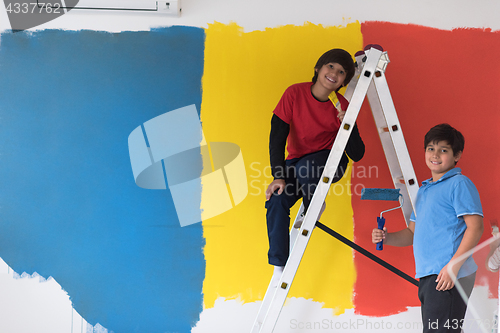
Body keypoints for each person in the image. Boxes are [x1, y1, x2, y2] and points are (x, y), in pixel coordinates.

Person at [372, 123, 484, 333]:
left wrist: (453, 266)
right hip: (430, 274)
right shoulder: (424, 191)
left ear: (457, 155)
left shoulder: (459, 183)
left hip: (449, 274)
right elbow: (412, 233)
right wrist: (386, 238)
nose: (435, 154)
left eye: (444, 150)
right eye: (431, 148)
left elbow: (476, 227)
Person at [265, 48, 365, 281]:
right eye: (330, 67)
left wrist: (346, 126)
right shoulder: (294, 93)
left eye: (341, 72)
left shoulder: (341, 105)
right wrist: (278, 176)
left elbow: (358, 153)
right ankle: (279, 263)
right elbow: (277, 138)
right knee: (276, 200)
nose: (334, 74)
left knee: (306, 168)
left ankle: (314, 206)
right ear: (318, 68)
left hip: (331, 161)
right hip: (298, 165)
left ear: (343, 81)